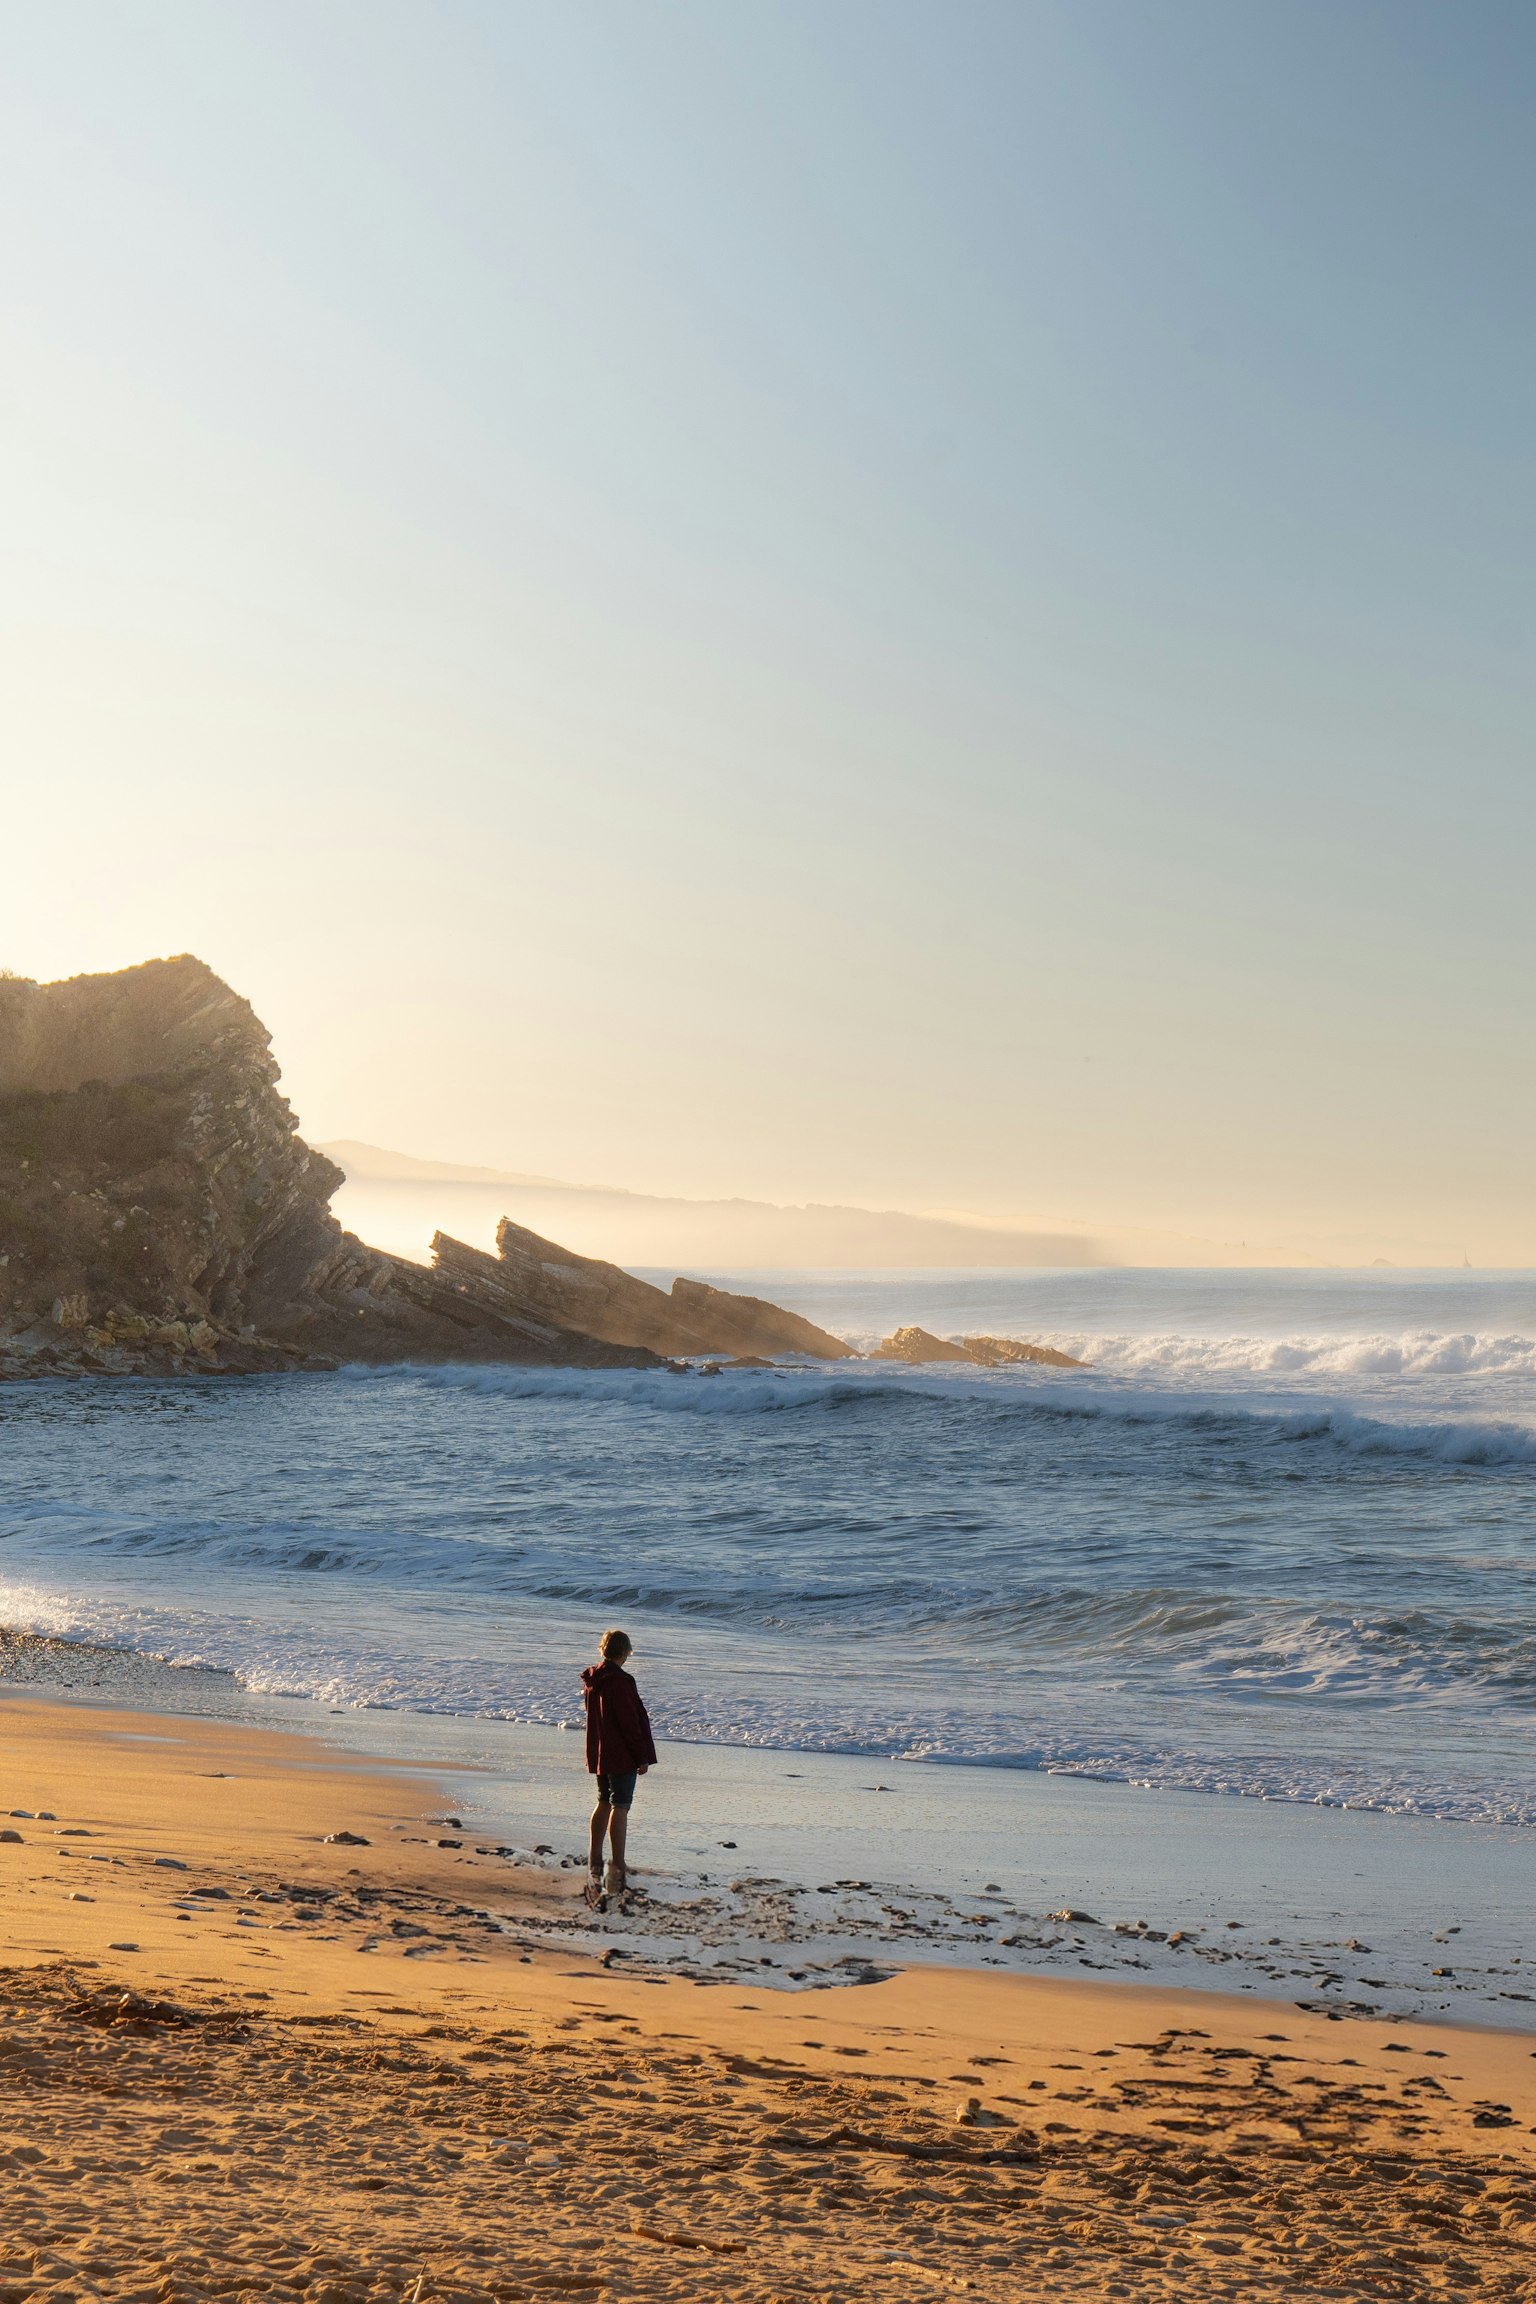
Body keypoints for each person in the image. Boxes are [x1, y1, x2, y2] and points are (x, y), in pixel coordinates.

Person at [581, 1627, 657, 1903]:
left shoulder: (594, 1678)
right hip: (621, 1752)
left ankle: (595, 1860)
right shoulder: (621, 1681)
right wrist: (642, 1756)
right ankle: (618, 1866)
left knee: (603, 1801)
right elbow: (630, 1723)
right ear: (626, 1652)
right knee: (621, 1804)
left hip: (601, 1750)